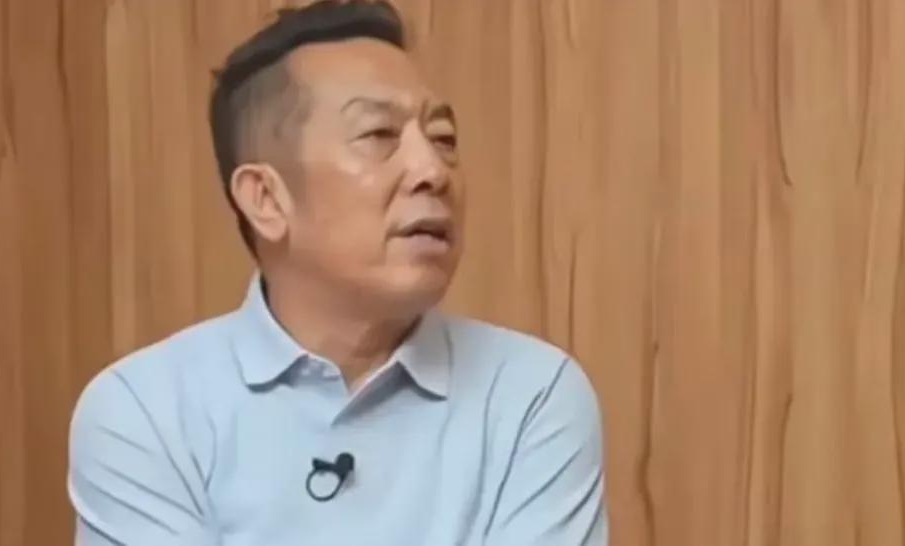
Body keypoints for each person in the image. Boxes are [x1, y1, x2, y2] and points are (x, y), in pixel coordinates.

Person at [67, 1, 607, 544]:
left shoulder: (532, 395)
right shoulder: (144, 411)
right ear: (265, 199)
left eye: (443, 139)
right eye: (378, 135)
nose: (432, 170)